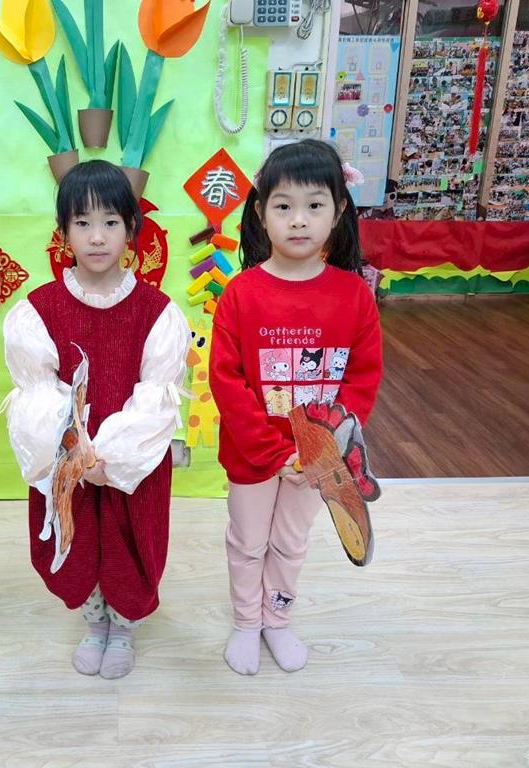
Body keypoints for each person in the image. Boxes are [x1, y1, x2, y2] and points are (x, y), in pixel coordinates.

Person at [2, 160, 189, 679]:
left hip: (133, 463)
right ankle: (94, 622)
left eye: (110, 221)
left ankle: (124, 627)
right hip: (69, 461)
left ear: (131, 228)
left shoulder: (157, 311)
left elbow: (156, 397)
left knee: (132, 539)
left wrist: (114, 458)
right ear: (63, 231)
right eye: (82, 223)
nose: (97, 236)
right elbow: (36, 395)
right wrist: (78, 456)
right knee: (77, 536)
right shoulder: (38, 310)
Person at [209, 140, 383, 675]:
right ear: (262, 213)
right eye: (284, 206)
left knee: (290, 542)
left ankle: (277, 620)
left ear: (339, 211)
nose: (299, 220)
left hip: (318, 461)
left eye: (314, 205)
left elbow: (362, 379)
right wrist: (273, 450)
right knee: (248, 542)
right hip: (253, 455)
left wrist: (321, 450)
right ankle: (246, 623)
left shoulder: (354, 295)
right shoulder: (240, 293)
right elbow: (227, 381)